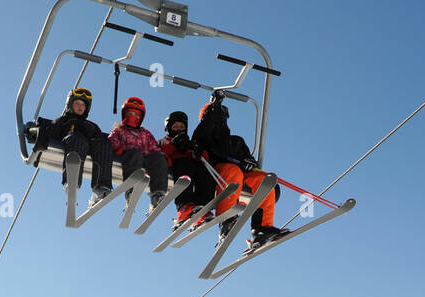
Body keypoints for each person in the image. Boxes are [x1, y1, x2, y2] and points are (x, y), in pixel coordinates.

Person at [192, 97, 290, 250]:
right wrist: (214, 108)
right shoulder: (203, 136)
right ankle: (226, 219)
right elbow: (201, 137)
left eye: (223, 115)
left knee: (265, 180)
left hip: (241, 175)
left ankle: (261, 229)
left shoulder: (236, 141)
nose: (221, 119)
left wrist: (249, 162)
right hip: (215, 173)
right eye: (217, 115)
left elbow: (249, 161)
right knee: (233, 171)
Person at [28, 87, 113, 209]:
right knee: (77, 138)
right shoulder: (63, 121)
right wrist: (33, 131)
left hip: (91, 153)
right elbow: (49, 131)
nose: (80, 107)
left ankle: (100, 188)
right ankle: (72, 181)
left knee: (104, 143)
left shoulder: (92, 126)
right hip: (73, 146)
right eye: (77, 103)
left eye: (83, 105)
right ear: (70, 104)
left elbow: (103, 141)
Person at [108, 96, 168, 213]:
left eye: (136, 115)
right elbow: (111, 141)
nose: (133, 117)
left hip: (145, 161)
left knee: (158, 158)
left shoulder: (145, 133)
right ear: (124, 114)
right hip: (129, 158)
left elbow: (153, 147)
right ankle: (131, 190)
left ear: (141, 118)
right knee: (135, 153)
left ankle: (157, 195)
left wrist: (163, 157)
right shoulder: (119, 130)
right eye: (130, 113)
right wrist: (118, 148)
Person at [160, 111, 216, 227]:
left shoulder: (189, 143)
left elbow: (203, 158)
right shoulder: (164, 141)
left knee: (206, 171)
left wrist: (199, 150)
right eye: (175, 127)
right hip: (174, 167)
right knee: (184, 164)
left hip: (191, 169)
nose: (179, 129)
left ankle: (202, 208)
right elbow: (158, 154)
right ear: (169, 128)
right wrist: (174, 145)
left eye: (181, 127)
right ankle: (183, 206)